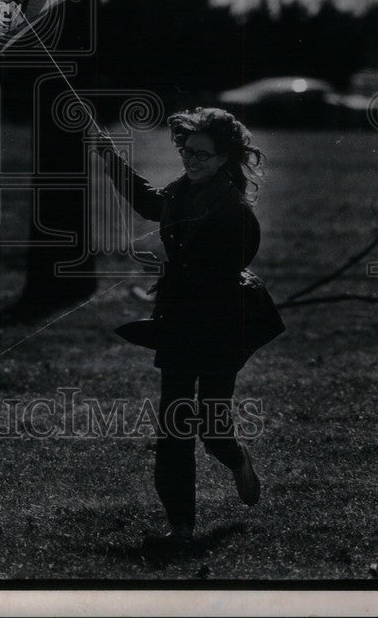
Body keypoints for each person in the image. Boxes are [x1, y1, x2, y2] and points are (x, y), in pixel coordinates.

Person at [96, 107, 267, 544]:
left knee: (212, 426)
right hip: (179, 323)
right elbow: (151, 202)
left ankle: (237, 459)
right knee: (174, 423)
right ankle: (181, 527)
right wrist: (109, 155)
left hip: (220, 327)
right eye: (188, 151)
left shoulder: (235, 211)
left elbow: (224, 271)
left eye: (203, 155)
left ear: (225, 158)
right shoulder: (180, 191)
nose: (192, 160)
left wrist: (177, 287)